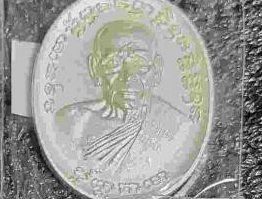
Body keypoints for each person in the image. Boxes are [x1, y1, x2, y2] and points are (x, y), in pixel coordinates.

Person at [55, 20, 195, 173]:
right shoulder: (70, 122)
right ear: (95, 67)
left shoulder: (178, 128)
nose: (128, 77)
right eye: (114, 63)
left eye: (139, 64)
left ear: (156, 70)